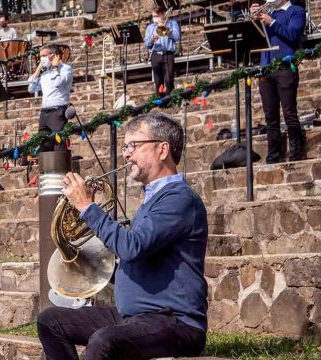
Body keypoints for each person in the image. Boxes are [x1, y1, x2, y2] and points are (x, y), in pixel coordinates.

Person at [37, 112, 208, 360]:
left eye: (134, 146)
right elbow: (135, 260)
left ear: (162, 150)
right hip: (135, 317)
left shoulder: (179, 199)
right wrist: (85, 262)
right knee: (50, 321)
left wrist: (86, 207)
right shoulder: (153, 200)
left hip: (176, 322)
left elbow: (131, 247)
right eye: (125, 146)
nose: (126, 153)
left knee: (104, 342)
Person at [253, 0, 307, 163]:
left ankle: (296, 154)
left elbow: (293, 35)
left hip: (285, 67)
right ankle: (273, 156)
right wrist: (253, 20)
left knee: (289, 113)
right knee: (270, 117)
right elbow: (254, 39)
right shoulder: (269, 13)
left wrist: (272, 22)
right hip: (266, 68)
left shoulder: (296, 11)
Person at [28, 44, 73, 152]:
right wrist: (38, 69)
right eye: (40, 56)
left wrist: (55, 67)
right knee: (43, 141)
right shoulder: (45, 74)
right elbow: (31, 88)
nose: (41, 59)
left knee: (58, 140)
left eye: (44, 55)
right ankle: (46, 168)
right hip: (45, 111)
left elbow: (58, 82)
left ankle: (61, 168)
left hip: (57, 110)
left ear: (54, 56)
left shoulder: (66, 69)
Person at [144, 5, 181, 95]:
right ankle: (161, 102)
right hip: (156, 55)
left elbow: (176, 37)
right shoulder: (150, 27)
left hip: (168, 54)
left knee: (169, 79)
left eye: (157, 16)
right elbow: (147, 44)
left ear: (162, 15)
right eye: (153, 16)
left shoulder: (172, 23)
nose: (155, 18)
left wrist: (164, 29)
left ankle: (170, 99)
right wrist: (152, 40)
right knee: (158, 81)